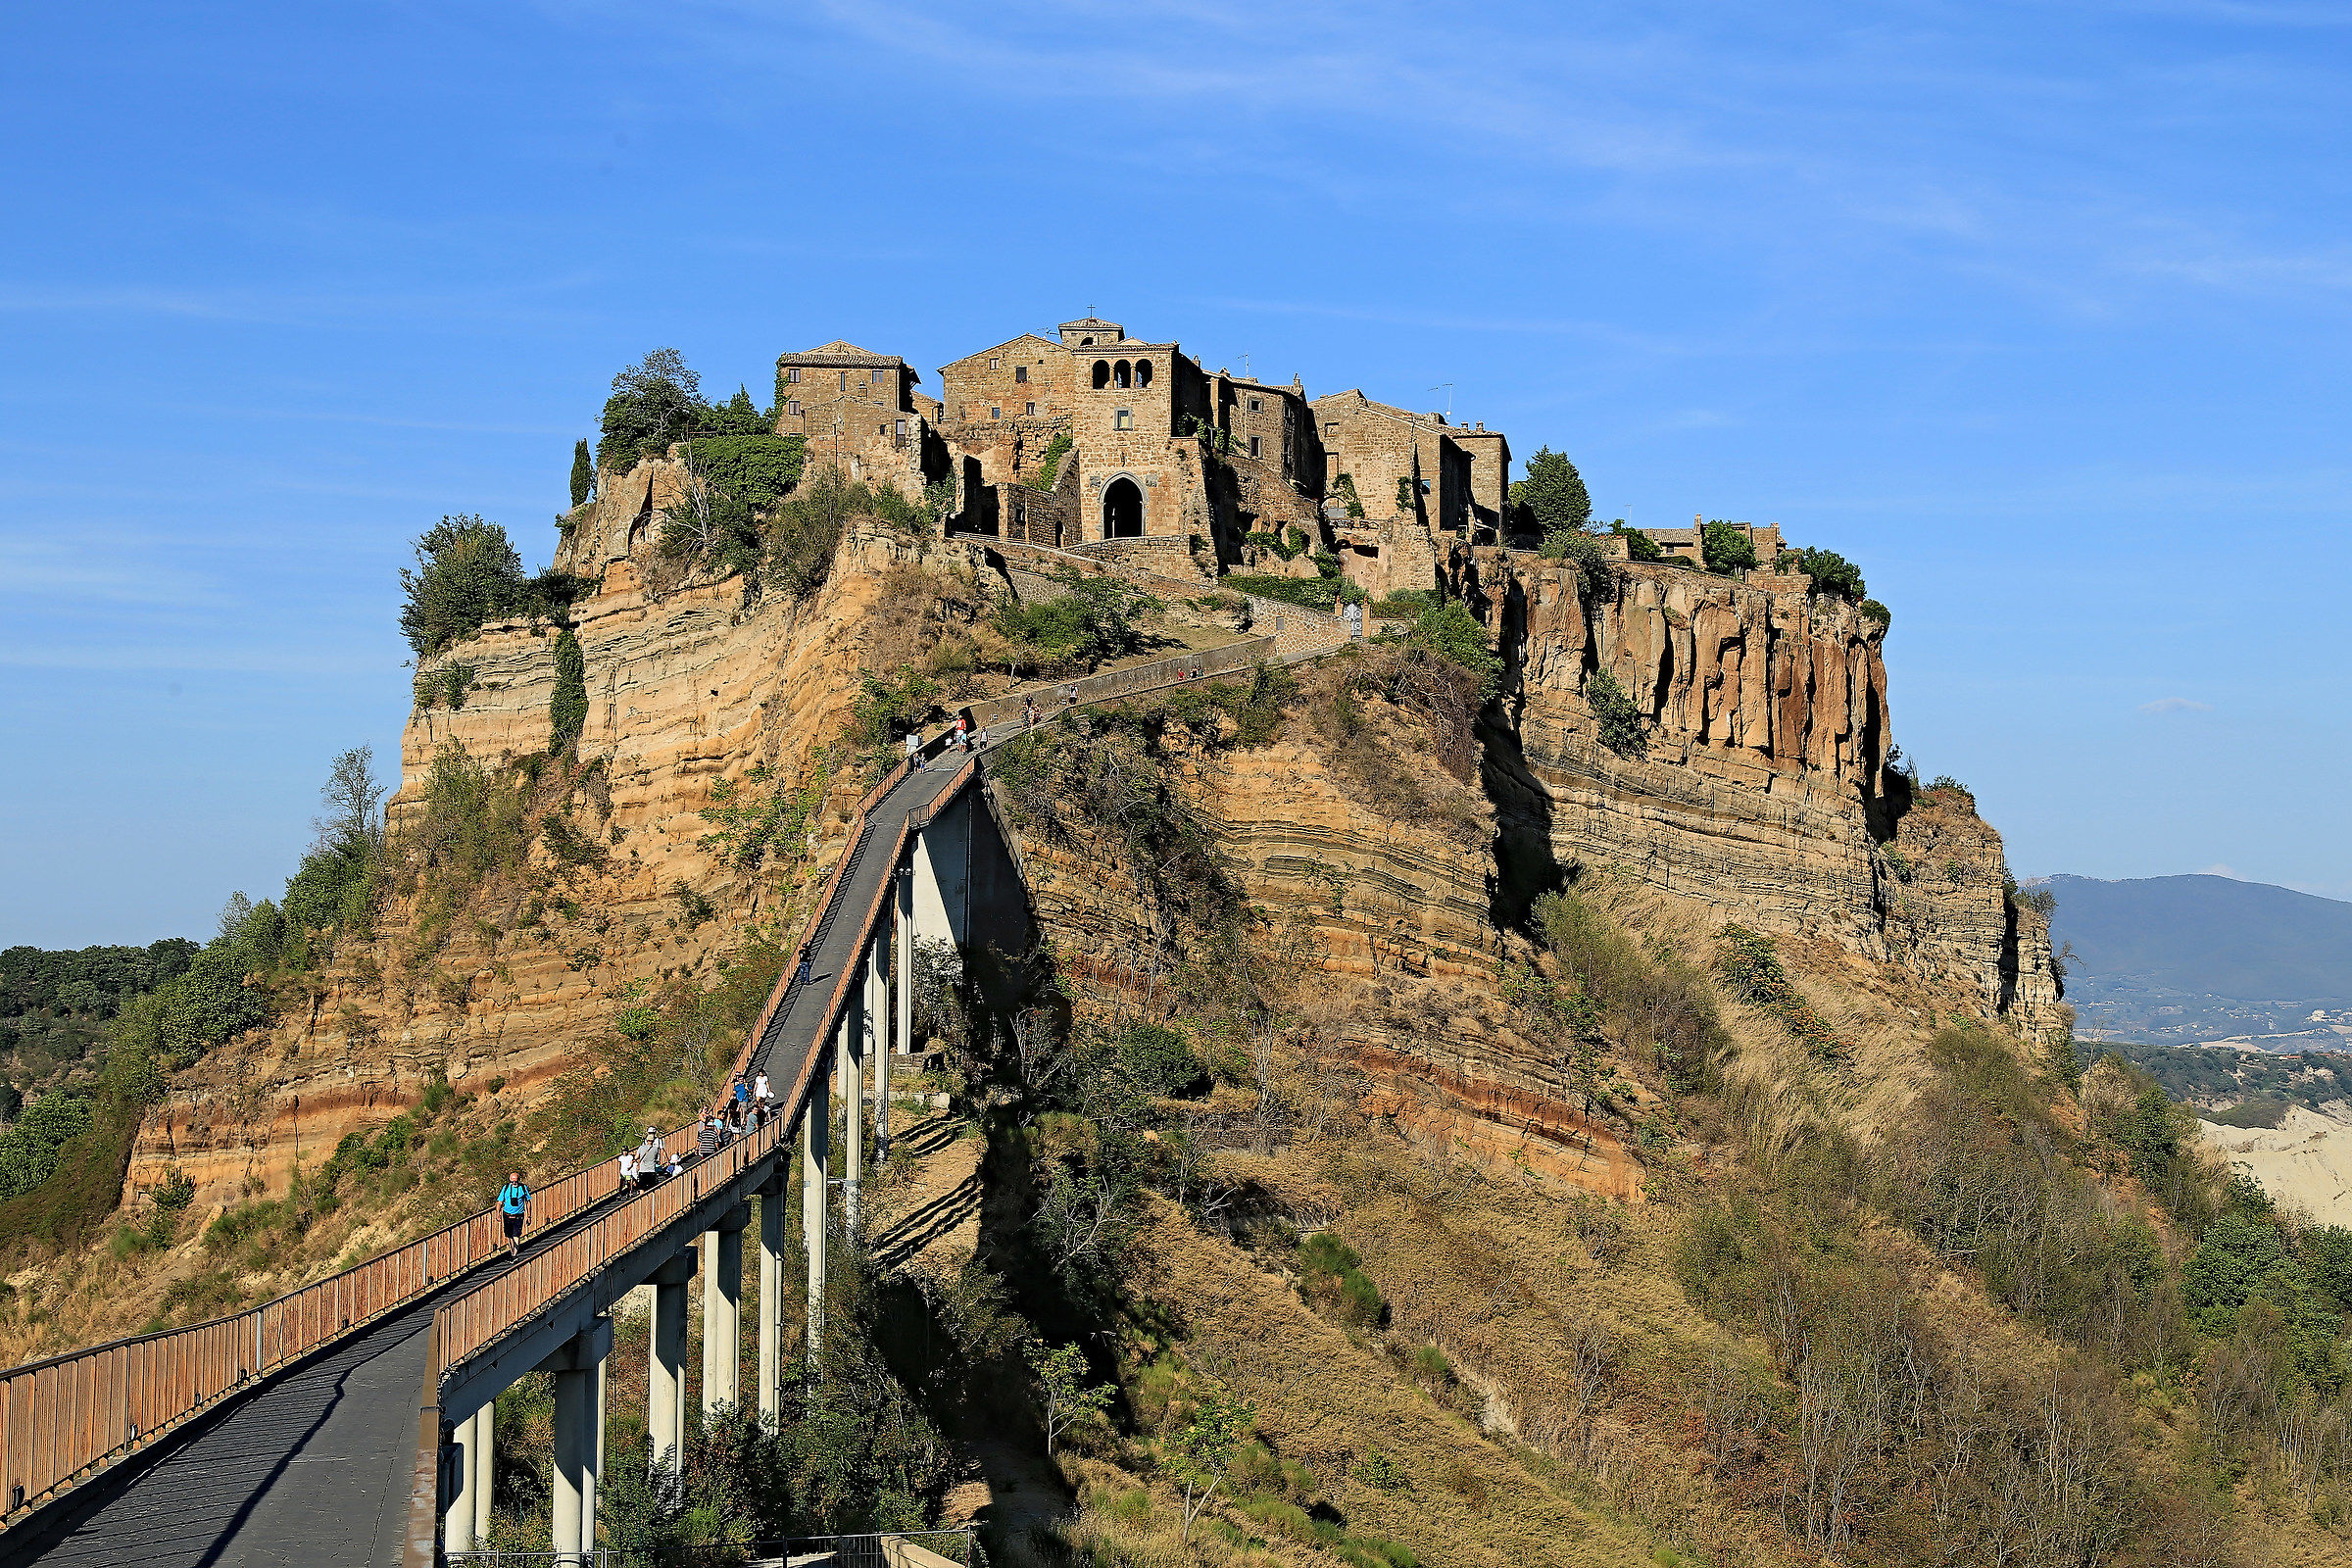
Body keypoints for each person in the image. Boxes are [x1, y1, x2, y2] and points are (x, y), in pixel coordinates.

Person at [497, 1170, 531, 1258]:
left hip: (519, 1215)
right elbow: (499, 1202)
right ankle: (512, 1253)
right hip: (507, 1215)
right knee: (509, 1235)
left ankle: (514, 1254)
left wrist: (529, 1216)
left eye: (516, 1181)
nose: (514, 1183)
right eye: (512, 1181)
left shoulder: (523, 1188)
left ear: (519, 1180)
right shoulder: (506, 1188)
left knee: (516, 1235)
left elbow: (528, 1202)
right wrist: (498, 1213)